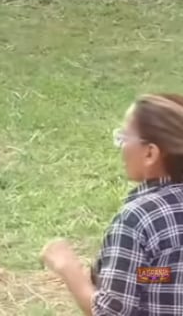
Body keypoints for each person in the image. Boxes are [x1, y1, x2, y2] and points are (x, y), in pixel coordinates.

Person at [41, 93, 183, 315]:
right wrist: (133, 274)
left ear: (150, 153)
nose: (121, 146)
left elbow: (111, 313)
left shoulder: (139, 219)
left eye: (124, 138)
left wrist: (68, 269)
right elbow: (168, 273)